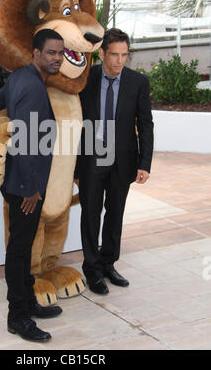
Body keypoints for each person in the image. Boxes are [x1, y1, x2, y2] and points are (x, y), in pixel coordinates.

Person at [0, 29, 64, 343]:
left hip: (18, 181)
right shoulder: (32, 87)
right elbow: (28, 143)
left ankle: (28, 302)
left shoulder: (20, 76)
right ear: (35, 53)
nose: (57, 58)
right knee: (19, 250)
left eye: (60, 53)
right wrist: (31, 188)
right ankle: (17, 316)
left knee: (22, 245)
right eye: (51, 53)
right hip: (25, 186)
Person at [77, 28, 154, 295]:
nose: (120, 61)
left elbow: (145, 124)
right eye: (114, 55)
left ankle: (109, 264)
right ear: (102, 53)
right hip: (92, 153)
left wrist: (145, 162)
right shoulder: (86, 78)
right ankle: (92, 269)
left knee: (115, 212)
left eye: (124, 55)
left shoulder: (138, 82)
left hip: (123, 158)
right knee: (90, 213)